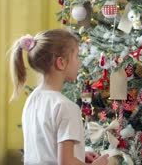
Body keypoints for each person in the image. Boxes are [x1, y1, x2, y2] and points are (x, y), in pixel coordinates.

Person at [9, 29, 109, 165]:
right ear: (61, 62)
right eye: (76, 56)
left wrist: (78, 155)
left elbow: (45, 149)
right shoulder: (66, 107)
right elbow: (66, 163)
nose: (79, 62)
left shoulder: (33, 99)